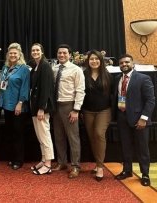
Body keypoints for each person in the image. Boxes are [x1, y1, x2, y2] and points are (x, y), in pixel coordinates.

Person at [114, 54, 155, 187]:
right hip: (122, 117)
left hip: (139, 119)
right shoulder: (117, 79)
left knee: (142, 148)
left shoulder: (143, 78)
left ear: (132, 63)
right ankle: (127, 170)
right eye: (121, 63)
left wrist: (144, 118)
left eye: (126, 62)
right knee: (125, 146)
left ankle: (145, 174)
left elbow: (150, 100)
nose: (124, 64)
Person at [52, 44, 85, 179]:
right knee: (58, 136)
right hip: (56, 106)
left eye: (64, 53)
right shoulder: (54, 69)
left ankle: (76, 166)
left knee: (73, 138)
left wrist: (76, 109)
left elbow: (80, 90)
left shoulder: (76, 70)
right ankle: (62, 162)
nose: (62, 55)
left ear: (70, 55)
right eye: (59, 53)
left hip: (69, 106)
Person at [81, 50, 113, 181]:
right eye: (91, 59)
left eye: (96, 59)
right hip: (88, 111)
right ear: (88, 61)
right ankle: (97, 163)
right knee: (92, 137)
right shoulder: (83, 74)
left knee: (99, 134)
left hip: (104, 110)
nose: (94, 61)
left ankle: (100, 167)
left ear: (101, 60)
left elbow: (113, 95)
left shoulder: (108, 75)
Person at [0, 43, 30, 170]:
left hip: (18, 107)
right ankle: (12, 158)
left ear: (19, 55)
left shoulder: (24, 69)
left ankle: (19, 160)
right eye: (10, 53)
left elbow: (25, 87)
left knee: (18, 134)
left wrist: (20, 103)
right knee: (10, 133)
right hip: (7, 106)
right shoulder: (5, 68)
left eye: (15, 53)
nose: (12, 55)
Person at [29, 43, 55, 175]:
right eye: (33, 50)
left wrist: (41, 108)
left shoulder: (45, 66)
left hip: (41, 108)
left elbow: (46, 89)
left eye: (37, 50)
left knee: (45, 135)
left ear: (42, 52)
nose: (35, 52)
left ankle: (48, 164)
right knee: (40, 136)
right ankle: (44, 159)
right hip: (34, 106)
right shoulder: (36, 66)